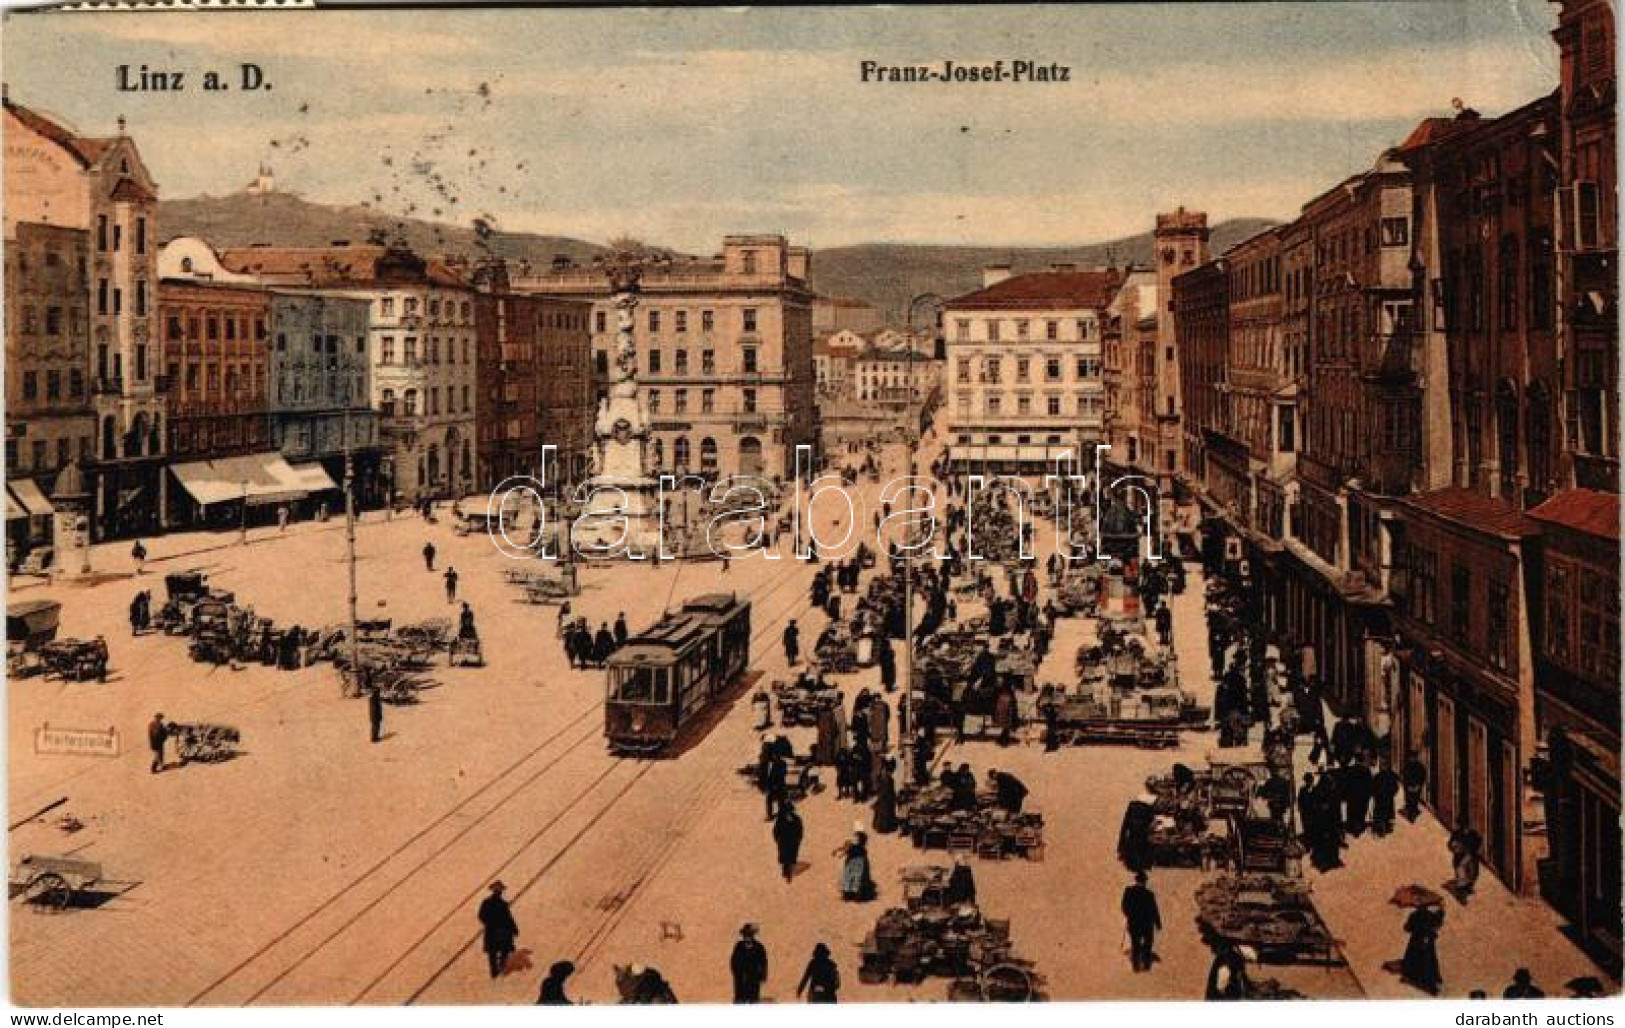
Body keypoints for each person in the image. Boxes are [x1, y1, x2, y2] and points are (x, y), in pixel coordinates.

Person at [1121, 871, 1162, 973]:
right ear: (1144, 881)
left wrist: (1130, 914)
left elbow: (1124, 906)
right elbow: (1154, 910)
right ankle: (1146, 966)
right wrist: (1158, 923)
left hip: (1135, 922)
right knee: (1147, 944)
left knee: (1136, 944)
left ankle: (1136, 967)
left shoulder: (1129, 891)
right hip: (1146, 924)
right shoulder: (1148, 894)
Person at [478, 881, 520, 979]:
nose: (499, 892)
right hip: (501, 931)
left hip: (492, 931)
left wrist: (489, 923)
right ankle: (499, 972)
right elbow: (508, 918)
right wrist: (514, 928)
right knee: (502, 952)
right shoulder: (501, 904)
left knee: (493, 954)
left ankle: (495, 973)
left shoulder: (488, 902)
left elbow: (481, 916)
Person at [1400, 905, 1444, 995]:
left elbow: (1408, 928)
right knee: (1428, 960)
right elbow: (1437, 924)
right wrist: (1441, 912)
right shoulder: (1430, 915)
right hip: (1427, 941)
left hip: (1416, 941)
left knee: (1415, 958)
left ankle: (1414, 976)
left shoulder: (1414, 915)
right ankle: (1430, 980)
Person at [730, 924, 769, 1003]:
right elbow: (733, 962)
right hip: (741, 980)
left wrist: (763, 975)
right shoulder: (739, 946)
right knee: (740, 1000)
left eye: (749, 935)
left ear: (752, 935)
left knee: (753, 1000)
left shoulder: (759, 947)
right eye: (746, 935)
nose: (747, 937)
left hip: (754, 980)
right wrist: (737, 974)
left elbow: (764, 962)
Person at [835, 829, 874, 901]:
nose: (853, 839)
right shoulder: (857, 848)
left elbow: (846, 851)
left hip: (856, 866)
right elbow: (844, 850)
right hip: (854, 866)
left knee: (855, 880)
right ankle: (850, 894)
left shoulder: (857, 848)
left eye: (855, 838)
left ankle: (853, 894)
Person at [772, 801, 804, 882]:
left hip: (792, 840)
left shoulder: (796, 819)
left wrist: (799, 838)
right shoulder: (781, 820)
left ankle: (788, 870)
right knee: (785, 856)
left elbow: (800, 829)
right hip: (784, 840)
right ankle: (786, 870)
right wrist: (777, 839)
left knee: (790, 855)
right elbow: (776, 830)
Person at [1371, 757, 1400, 835]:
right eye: (1382, 765)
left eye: (1385, 765)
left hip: (1387, 798)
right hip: (1380, 798)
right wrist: (1375, 794)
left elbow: (1396, 787)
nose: (1383, 767)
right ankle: (1380, 827)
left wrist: (1391, 794)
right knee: (1380, 813)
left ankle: (1386, 827)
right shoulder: (1377, 776)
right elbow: (1373, 787)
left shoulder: (1391, 775)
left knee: (1387, 814)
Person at [872, 758, 898, 833]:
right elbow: (885, 789)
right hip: (886, 798)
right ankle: (884, 828)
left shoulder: (886, 777)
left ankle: (883, 827)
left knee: (884, 812)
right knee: (885, 813)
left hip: (885, 797)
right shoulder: (887, 778)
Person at [1401, 752, 1428, 822]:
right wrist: (1407, 785)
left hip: (1416, 786)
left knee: (1415, 800)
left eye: (1413, 757)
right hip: (1409, 787)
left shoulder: (1420, 766)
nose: (1412, 759)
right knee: (1409, 801)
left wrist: (1419, 785)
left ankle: (1413, 814)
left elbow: (1423, 776)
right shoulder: (1407, 766)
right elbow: (1404, 776)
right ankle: (1410, 815)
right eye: (1411, 757)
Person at [765, 752, 789, 822]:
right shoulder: (774, 763)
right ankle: (771, 815)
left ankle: (773, 815)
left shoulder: (778, 764)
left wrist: (774, 784)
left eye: (775, 755)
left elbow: (781, 774)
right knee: (774, 800)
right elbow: (770, 775)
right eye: (774, 755)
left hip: (777, 785)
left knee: (778, 800)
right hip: (776, 785)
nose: (774, 756)